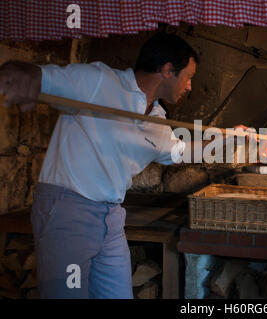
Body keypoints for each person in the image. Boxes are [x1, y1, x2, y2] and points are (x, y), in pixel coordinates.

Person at [0, 32, 245, 298]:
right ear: (167, 71)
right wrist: (23, 73)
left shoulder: (157, 119)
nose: (189, 87)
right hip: (68, 213)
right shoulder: (101, 82)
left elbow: (179, 151)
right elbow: (48, 78)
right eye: (188, 77)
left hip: (110, 218)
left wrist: (227, 138)